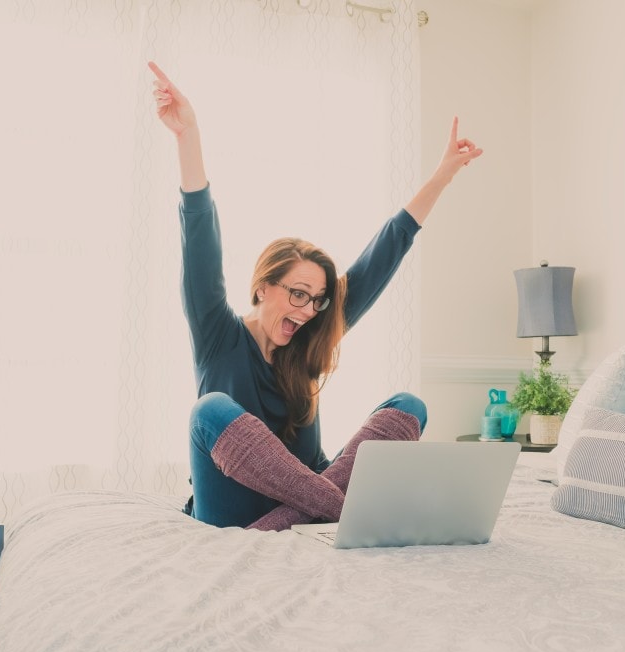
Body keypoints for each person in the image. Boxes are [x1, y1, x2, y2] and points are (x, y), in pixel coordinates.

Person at [149, 61, 482, 530]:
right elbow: (199, 236)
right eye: (299, 294)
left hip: (308, 497)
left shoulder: (310, 337)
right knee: (210, 411)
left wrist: (443, 175)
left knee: (408, 406)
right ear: (263, 286)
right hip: (231, 507)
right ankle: (344, 512)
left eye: (318, 300)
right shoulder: (217, 333)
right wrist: (189, 136)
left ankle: (303, 514)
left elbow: (384, 252)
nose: (308, 311)